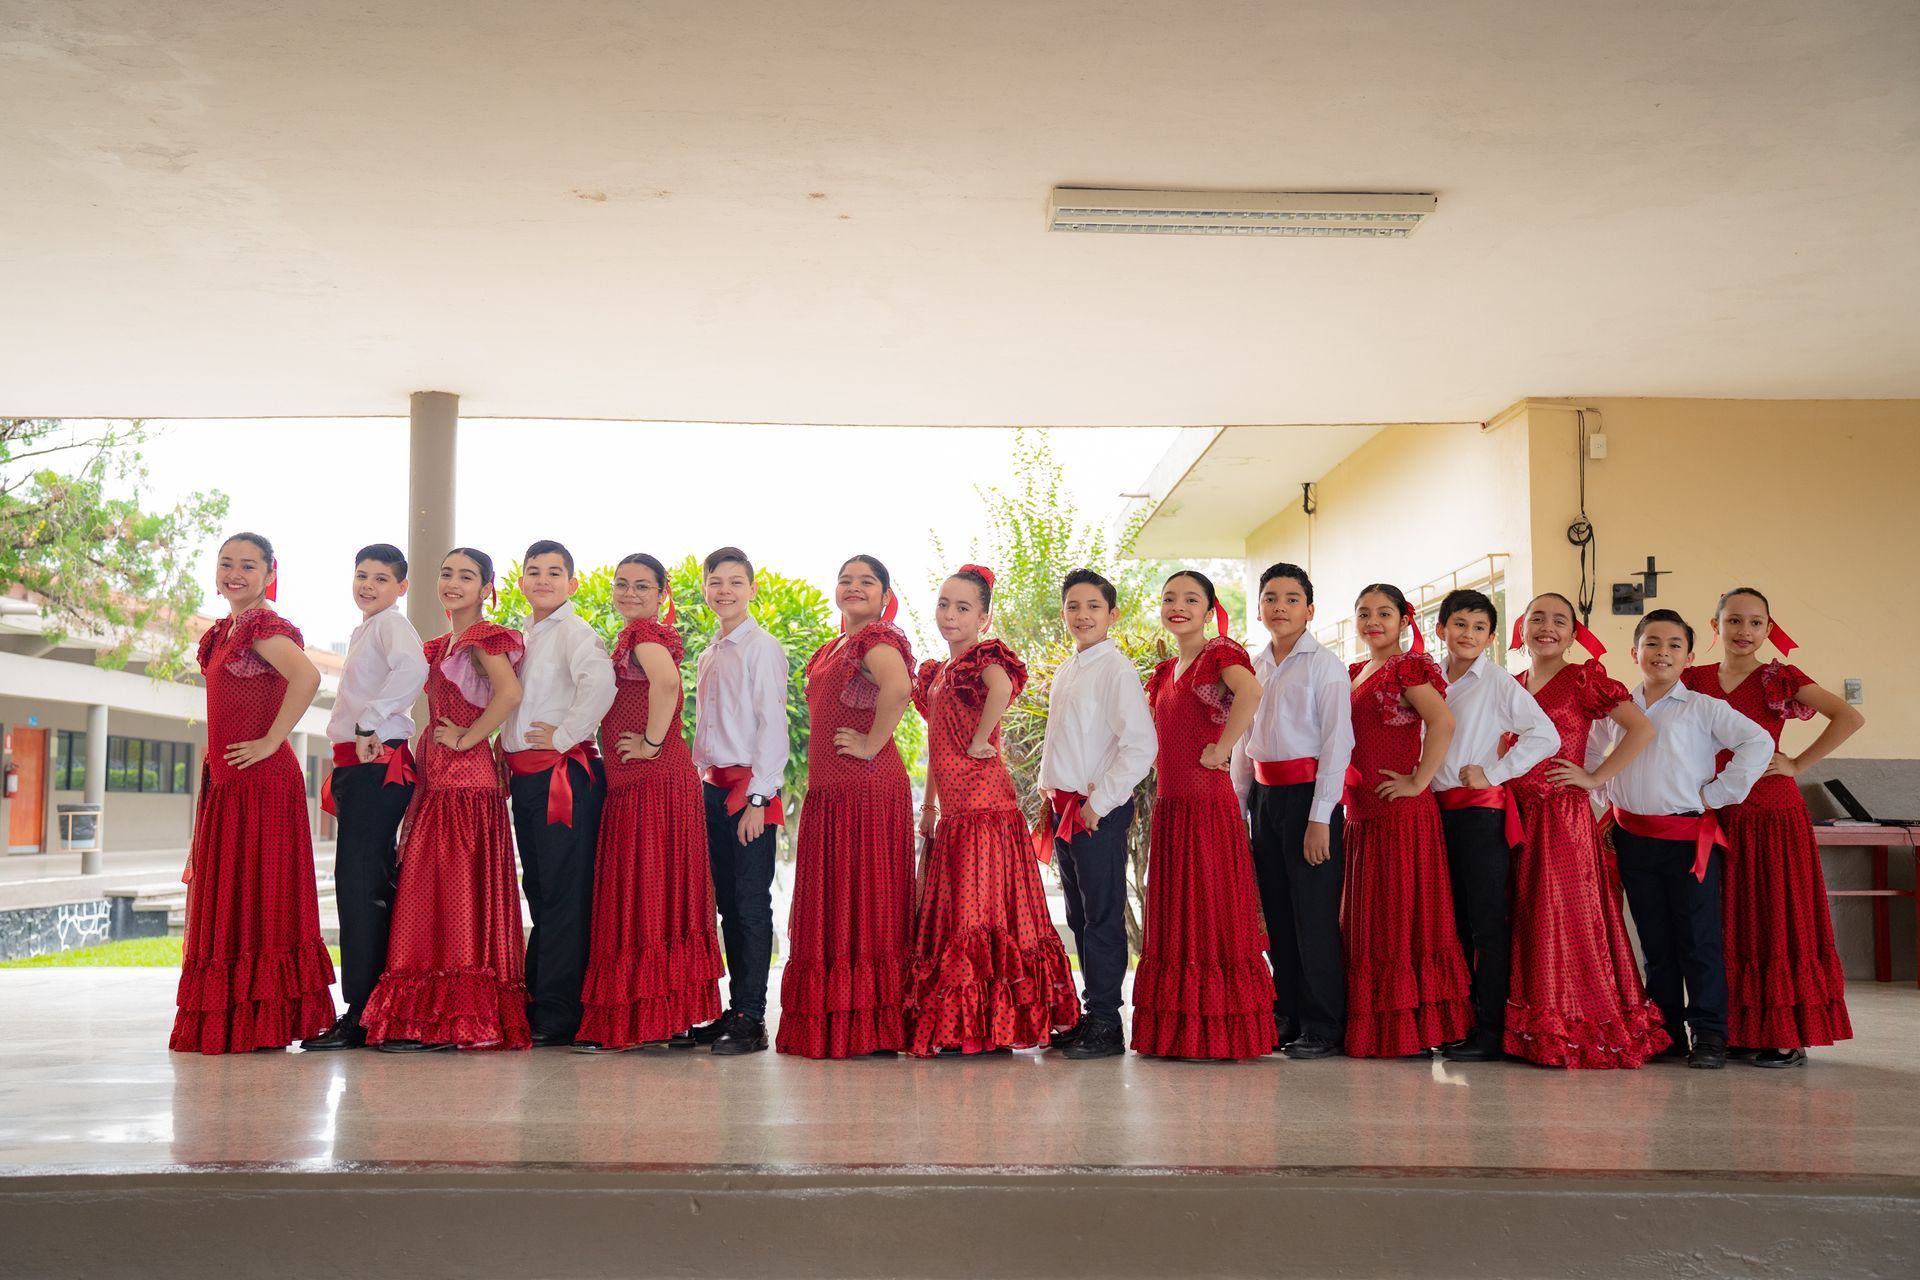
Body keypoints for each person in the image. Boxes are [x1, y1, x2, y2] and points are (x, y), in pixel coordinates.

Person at [1683, 588, 1862, 1066]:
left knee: (1774, 919)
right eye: (1734, 620)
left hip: (1770, 816)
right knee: (1723, 922)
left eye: (1755, 622)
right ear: (1715, 625)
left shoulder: (1777, 677)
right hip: (1713, 813)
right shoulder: (1692, 678)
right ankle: (1735, 1031)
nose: (1744, 631)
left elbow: (1849, 716)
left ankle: (1785, 1035)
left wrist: (1798, 763)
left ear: (1767, 628)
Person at [361, 548, 531, 1052]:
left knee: (450, 891)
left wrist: (468, 737)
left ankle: (452, 1016)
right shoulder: (440, 644)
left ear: (487, 589)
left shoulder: (481, 637)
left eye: (467, 576)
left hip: (466, 784)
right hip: (437, 780)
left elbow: (510, 694)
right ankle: (432, 1014)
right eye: (446, 573)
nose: (453, 583)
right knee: (428, 888)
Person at [172, 533, 335, 1054]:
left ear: (270, 573)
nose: (234, 574)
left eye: (247, 565)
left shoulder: (263, 626)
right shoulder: (223, 632)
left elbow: (307, 676)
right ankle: (237, 1019)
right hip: (228, 784)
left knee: (262, 896)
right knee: (232, 897)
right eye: (226, 564)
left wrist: (271, 739)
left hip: (262, 782)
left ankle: (263, 1021)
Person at [1590, 608, 1772, 1069]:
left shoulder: (1703, 707)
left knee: (1698, 939)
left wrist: (1718, 794)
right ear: (1634, 652)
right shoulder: (1615, 708)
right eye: (1652, 643)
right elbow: (1592, 758)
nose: (1662, 652)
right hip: (1632, 838)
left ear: (1689, 656)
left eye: (1674, 645)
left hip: (1689, 839)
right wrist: (1602, 798)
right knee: (1654, 940)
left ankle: (1709, 1033)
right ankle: (1666, 1030)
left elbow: (1759, 743)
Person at [908, 565, 1078, 1055]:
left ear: (984, 618)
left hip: (986, 811)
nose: (950, 615)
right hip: (955, 814)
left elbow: (1001, 688)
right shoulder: (937, 675)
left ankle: (991, 1028)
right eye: (944, 604)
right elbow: (937, 744)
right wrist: (928, 806)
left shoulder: (984, 658)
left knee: (980, 918)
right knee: (960, 918)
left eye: (963, 608)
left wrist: (983, 737)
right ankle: (966, 1026)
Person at [1502, 592, 1668, 1068]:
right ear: (1522, 628)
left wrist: (1595, 778)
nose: (1547, 628)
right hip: (1513, 815)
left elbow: (1640, 729)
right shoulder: (1510, 685)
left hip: (1561, 818)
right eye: (1538, 618)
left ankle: (1574, 1024)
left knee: (1566, 920)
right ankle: (1528, 1026)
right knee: (1521, 920)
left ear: (1574, 634)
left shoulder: (1582, 679)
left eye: (1559, 621)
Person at [575, 554, 725, 1052]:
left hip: (653, 782)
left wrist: (653, 743)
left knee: (646, 893)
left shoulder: (645, 635)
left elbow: (665, 685)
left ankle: (650, 1018)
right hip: (644, 785)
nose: (630, 593)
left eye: (643, 586)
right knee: (655, 894)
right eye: (622, 584)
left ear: (663, 594)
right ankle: (668, 1017)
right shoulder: (636, 635)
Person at [778, 554, 917, 1058]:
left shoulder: (874, 639)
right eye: (846, 580)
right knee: (838, 900)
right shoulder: (835, 645)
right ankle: (843, 1021)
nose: (854, 587)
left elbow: (900, 688)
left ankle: (873, 1028)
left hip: (866, 790)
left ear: (885, 596)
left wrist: (871, 744)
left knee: (867, 900)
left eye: (867, 581)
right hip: (832, 793)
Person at [1132, 570, 1271, 1060]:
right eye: (1170, 598)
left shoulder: (1221, 654)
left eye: (1192, 599)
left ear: (1210, 610)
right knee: (1178, 914)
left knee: (1209, 910)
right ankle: (1180, 1032)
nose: (1179, 606)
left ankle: (1219, 1032)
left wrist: (1223, 747)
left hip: (1207, 806)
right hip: (1172, 806)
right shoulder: (1165, 669)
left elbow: (1251, 693)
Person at [303, 543, 427, 1051]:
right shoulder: (367, 630)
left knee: (362, 886)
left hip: (379, 763)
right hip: (361, 766)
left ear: (402, 587)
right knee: (361, 882)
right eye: (361, 575)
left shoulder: (393, 626)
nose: (368, 585)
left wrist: (370, 719)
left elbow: (414, 670)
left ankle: (365, 1012)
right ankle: (372, 1007)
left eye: (381, 578)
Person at [1229, 562, 1355, 1060]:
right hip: (1265, 799)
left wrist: (1321, 816)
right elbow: (1243, 744)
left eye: (1291, 598)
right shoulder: (1252, 666)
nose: (1279, 606)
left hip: (1310, 799)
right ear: (1259, 607)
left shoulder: (1324, 666)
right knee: (1277, 912)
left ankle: (1325, 1025)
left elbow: (1337, 744)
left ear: (1309, 609)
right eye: (1270, 598)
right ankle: (1288, 1017)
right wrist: (1239, 810)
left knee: (1314, 915)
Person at [1341, 584, 1471, 1059]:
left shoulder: (1408, 665)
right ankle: (1377, 1027)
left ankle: (1413, 1031)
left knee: (1401, 919)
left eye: (1384, 613)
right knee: (1373, 921)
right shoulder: (1356, 672)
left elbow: (1443, 723)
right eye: (1364, 612)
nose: (1373, 621)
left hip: (1400, 814)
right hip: (1360, 814)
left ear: (1403, 621)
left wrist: (1419, 780)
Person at [1427, 588, 1556, 1063]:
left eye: (1479, 628)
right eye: (1459, 624)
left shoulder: (1497, 681)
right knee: (1452, 923)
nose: (1468, 634)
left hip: (1481, 813)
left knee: (1486, 923)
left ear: (1491, 637)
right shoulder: (1427, 678)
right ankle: (1457, 1023)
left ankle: (1491, 1030)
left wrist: (1495, 772)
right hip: (1433, 811)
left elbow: (1545, 734)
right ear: (1441, 629)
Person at [501, 540, 616, 1047]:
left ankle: (559, 1013)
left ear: (572, 583)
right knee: (541, 893)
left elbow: (602, 685)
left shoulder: (573, 630)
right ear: (522, 581)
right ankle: (541, 999)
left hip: (562, 777)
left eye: (554, 572)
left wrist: (567, 736)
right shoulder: (525, 634)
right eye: (534, 571)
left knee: (564, 897)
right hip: (528, 777)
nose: (542, 580)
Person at [1037, 568, 1155, 1060]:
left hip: (1094, 814)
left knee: (1102, 917)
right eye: (1073, 606)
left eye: (1092, 606)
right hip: (1064, 809)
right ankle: (1092, 1015)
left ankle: (1107, 1022)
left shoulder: (1116, 670)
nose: (1082, 615)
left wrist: (1096, 803)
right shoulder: (1070, 668)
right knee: (1079, 914)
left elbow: (1141, 745)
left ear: (1113, 614)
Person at [690, 546, 790, 1055]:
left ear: (752, 589)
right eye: (715, 582)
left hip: (746, 793)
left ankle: (752, 1016)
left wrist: (758, 798)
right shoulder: (712, 652)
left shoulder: (762, 648)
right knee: (726, 905)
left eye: (735, 581)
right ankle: (734, 1009)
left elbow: (774, 726)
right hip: (711, 788)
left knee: (750, 904)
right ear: (705, 589)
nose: (724, 590)